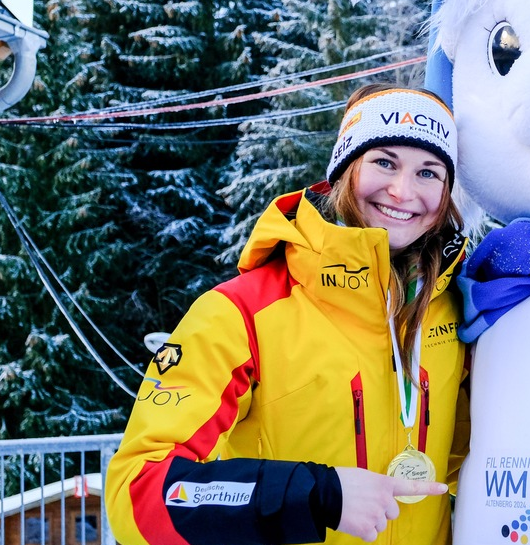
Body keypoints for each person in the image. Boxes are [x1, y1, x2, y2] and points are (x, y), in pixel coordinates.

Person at [106, 84, 470, 545]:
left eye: (429, 172)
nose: (402, 191)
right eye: (384, 162)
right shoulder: (241, 313)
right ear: (345, 169)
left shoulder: (457, 308)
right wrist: (315, 495)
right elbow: (137, 495)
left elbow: (477, 460)